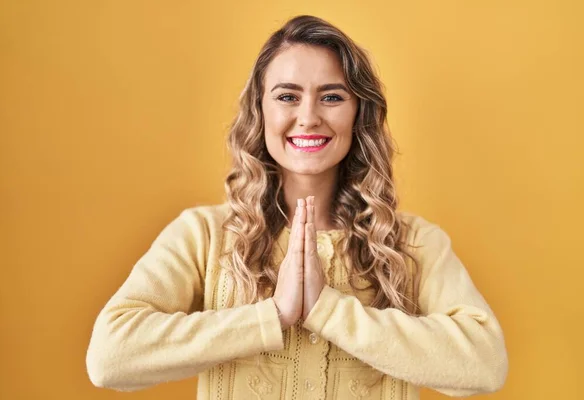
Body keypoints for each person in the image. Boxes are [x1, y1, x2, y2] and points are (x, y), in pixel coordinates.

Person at [86, 15, 508, 400]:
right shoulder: (203, 235)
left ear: (359, 113)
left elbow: (485, 365)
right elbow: (110, 357)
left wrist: (328, 310)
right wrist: (272, 316)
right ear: (260, 109)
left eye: (332, 97)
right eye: (288, 96)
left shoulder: (414, 243)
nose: (308, 117)